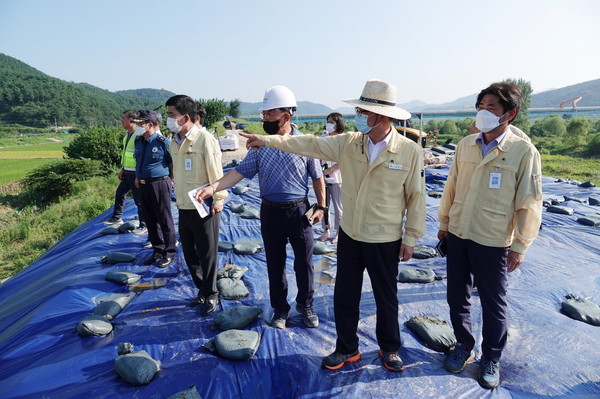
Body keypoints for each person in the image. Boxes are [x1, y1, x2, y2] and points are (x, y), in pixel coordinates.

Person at [239, 79, 427, 372]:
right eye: (360, 110)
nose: (359, 116)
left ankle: (389, 348)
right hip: (350, 234)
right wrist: (267, 139)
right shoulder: (349, 142)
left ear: (382, 115)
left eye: (364, 111)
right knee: (345, 296)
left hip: (385, 237)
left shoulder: (408, 151)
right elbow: (309, 144)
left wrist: (411, 237)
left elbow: (416, 198)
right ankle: (347, 348)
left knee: (386, 297)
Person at [437, 82, 543, 389]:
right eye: (480, 106)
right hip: (459, 233)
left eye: (491, 107)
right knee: (457, 297)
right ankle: (464, 345)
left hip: (494, 240)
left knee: (494, 304)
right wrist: (444, 223)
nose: (483, 112)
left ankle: (491, 356)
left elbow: (529, 202)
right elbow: (451, 187)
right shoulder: (465, 145)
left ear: (509, 114)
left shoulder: (523, 152)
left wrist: (521, 244)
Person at [195, 85, 326, 329]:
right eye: (263, 115)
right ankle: (280, 309)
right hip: (271, 211)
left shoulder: (306, 143)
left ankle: (305, 305)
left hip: (299, 211)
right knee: (275, 263)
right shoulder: (260, 146)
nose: (264, 119)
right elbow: (238, 173)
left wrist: (322, 206)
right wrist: (213, 187)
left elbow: (318, 177)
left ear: (285, 116)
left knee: (304, 262)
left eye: (269, 115)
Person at [166, 95, 227, 316]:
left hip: (205, 205)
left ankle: (211, 294)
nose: (168, 120)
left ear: (186, 117)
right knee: (190, 254)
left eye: (171, 115)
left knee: (207, 253)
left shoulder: (204, 139)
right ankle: (201, 290)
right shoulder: (174, 141)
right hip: (183, 204)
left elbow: (216, 172)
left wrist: (219, 199)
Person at [131, 110, 177, 268]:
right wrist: (138, 176)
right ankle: (157, 250)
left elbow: (172, 163)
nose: (137, 126)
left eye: (140, 124)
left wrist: (170, 180)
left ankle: (169, 252)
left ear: (150, 124)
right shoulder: (138, 141)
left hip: (159, 183)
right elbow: (139, 161)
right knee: (149, 219)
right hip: (143, 184)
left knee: (164, 218)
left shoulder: (163, 142)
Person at [103, 110, 146, 234]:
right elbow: (125, 154)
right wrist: (123, 169)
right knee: (120, 193)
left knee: (139, 200)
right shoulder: (127, 135)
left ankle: (144, 225)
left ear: (132, 121)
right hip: (127, 171)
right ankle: (116, 218)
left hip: (135, 173)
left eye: (124, 118)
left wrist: (139, 174)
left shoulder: (139, 136)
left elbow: (140, 156)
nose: (122, 120)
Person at [318, 112, 344, 244]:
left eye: (332, 122)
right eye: (328, 122)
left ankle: (339, 233)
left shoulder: (343, 140)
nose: (329, 125)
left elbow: (344, 159)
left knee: (338, 207)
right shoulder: (323, 138)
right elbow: (317, 155)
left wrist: (331, 170)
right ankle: (326, 230)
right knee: (323, 205)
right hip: (323, 177)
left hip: (337, 177)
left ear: (338, 124)